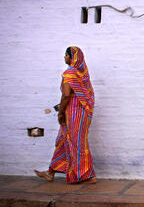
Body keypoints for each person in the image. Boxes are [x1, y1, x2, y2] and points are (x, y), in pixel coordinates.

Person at [34, 46, 97, 184]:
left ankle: (88, 175)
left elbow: (66, 95)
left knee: (77, 143)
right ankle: (51, 172)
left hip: (73, 112)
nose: (64, 57)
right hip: (82, 112)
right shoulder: (84, 74)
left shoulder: (70, 73)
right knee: (64, 139)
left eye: (66, 55)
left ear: (72, 57)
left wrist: (60, 113)